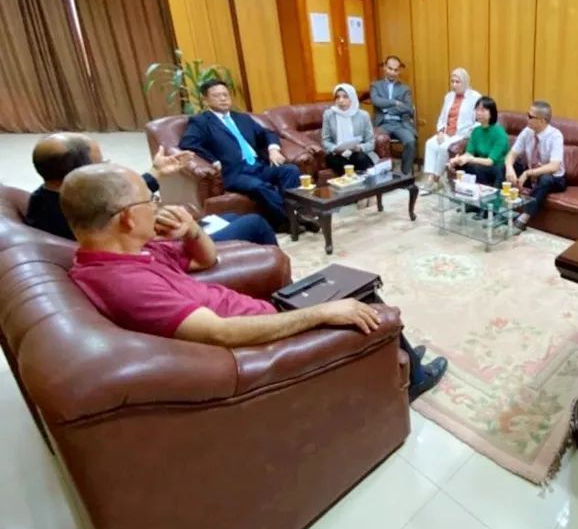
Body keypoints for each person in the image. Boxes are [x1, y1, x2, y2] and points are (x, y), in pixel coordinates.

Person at [60, 163, 447, 400]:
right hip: (263, 337)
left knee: (352, 282)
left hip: (262, 312)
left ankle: (402, 358)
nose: (158, 205)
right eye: (151, 199)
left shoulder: (131, 252)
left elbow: (206, 259)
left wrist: (192, 230)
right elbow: (220, 334)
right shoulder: (126, 284)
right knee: (365, 301)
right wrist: (321, 313)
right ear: (128, 217)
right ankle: (414, 379)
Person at [25, 132, 277, 245]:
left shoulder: (51, 196)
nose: (106, 166)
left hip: (161, 236)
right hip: (164, 247)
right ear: (82, 171)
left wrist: (156, 172)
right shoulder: (76, 209)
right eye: (101, 162)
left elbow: (114, 195)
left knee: (231, 217)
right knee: (255, 223)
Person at [179, 79, 301, 230]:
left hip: (259, 166)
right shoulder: (201, 121)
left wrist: (273, 149)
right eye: (217, 96)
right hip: (235, 172)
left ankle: (293, 218)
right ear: (205, 100)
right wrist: (212, 159)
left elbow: (267, 133)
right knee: (258, 186)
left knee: (290, 170)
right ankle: (292, 221)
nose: (223, 98)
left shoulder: (242, 118)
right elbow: (188, 143)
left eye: (225, 95)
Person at [504, 100, 566, 231]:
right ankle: (499, 209)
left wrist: (528, 173)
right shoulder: (527, 131)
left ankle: (523, 218)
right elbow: (512, 154)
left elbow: (554, 166)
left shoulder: (555, 136)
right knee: (502, 167)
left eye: (530, 116)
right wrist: (509, 168)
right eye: (527, 114)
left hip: (554, 178)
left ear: (542, 121)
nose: (527, 118)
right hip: (531, 173)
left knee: (545, 179)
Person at [421, 68, 481, 194]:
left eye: (457, 82)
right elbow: (442, 117)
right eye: (452, 81)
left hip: (462, 134)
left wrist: (470, 133)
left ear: (465, 81)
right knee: (430, 144)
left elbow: (479, 120)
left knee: (444, 148)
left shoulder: (475, 97)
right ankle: (429, 176)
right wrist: (440, 131)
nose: (454, 85)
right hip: (446, 132)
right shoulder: (448, 96)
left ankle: (434, 179)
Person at [370, 55, 417, 176]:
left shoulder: (405, 89)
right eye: (390, 69)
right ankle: (383, 174)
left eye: (395, 70)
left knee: (410, 141)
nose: (392, 72)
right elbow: (376, 101)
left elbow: (407, 108)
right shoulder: (375, 86)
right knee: (377, 140)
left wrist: (388, 110)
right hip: (382, 123)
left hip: (400, 123)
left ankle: (405, 174)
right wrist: (395, 102)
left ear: (399, 71)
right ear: (385, 67)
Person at [447, 96, 509, 187]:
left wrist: (470, 159)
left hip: (497, 168)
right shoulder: (476, 131)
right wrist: (457, 160)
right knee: (460, 166)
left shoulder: (499, 133)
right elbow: (469, 154)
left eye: (483, 110)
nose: (478, 113)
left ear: (491, 113)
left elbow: (490, 161)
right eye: (477, 109)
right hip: (481, 167)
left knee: (479, 168)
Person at [321, 83, 380, 174]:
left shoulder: (363, 115)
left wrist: (359, 148)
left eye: (345, 97)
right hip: (337, 154)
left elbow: (371, 143)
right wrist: (335, 149)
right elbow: (325, 141)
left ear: (352, 98)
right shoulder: (329, 114)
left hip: (357, 152)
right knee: (342, 164)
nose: (341, 100)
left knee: (360, 158)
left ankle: (365, 182)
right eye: (337, 97)